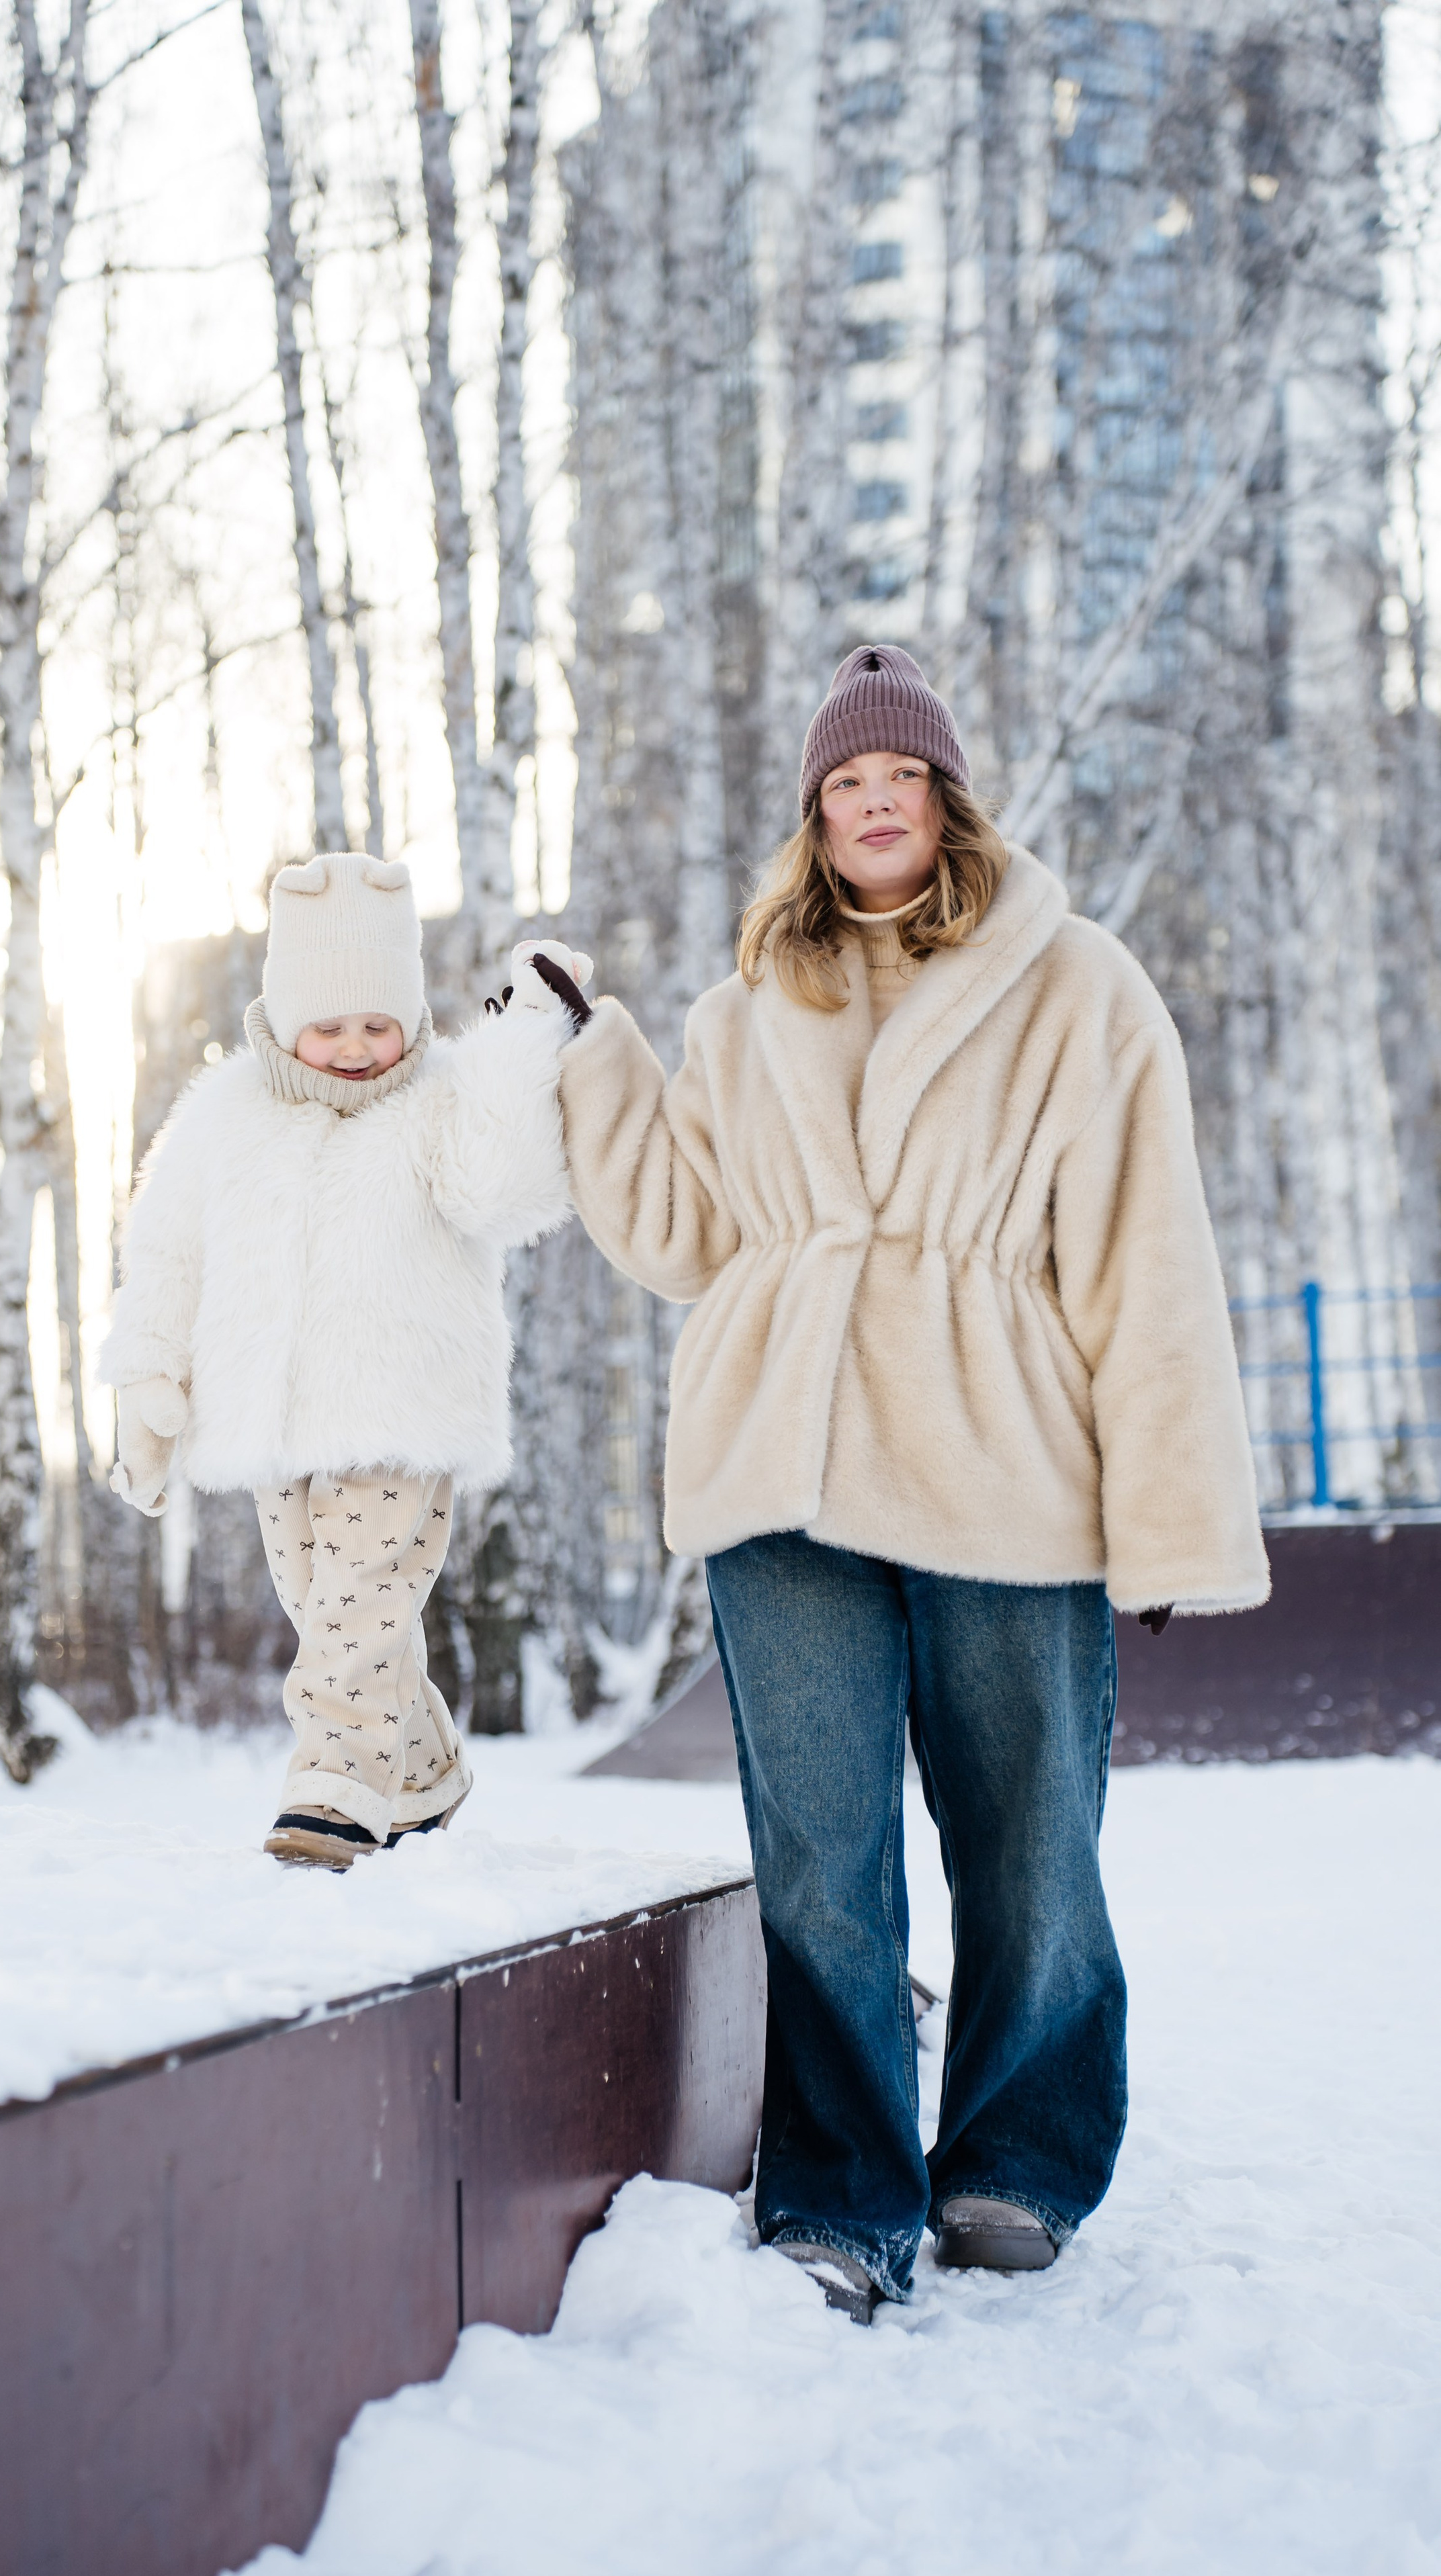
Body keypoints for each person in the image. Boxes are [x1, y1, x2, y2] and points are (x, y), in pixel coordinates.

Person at [529, 643, 1268, 2319]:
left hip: (1000, 1471)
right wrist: (595, 1057)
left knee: (1028, 1842)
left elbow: (1145, 1265)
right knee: (817, 1859)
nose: (873, 805)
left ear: (947, 801)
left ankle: (1016, 2163)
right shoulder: (745, 1011)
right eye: (844, 785)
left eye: (901, 778)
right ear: (813, 817)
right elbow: (681, 1237)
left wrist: (1167, 1519)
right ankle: (842, 2197)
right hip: (777, 1474)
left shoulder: (1077, 988)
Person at [100, 851, 586, 1869]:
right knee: (327, 1606)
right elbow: (168, 1249)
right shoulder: (226, 1114)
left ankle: (334, 1791)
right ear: (284, 1020)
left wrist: (526, 1037)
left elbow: (505, 1186)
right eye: (330, 1026)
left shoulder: (438, 1101)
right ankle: (425, 1769)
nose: (358, 1048)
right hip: (270, 1420)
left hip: (402, 1407)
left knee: (359, 1607)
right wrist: (149, 1382)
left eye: (379, 1023)